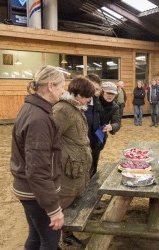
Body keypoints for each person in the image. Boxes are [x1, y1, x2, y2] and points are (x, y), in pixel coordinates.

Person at [10, 65, 65, 250]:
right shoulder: (39, 119)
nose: (63, 90)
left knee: (35, 236)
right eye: (62, 85)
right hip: (36, 194)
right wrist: (53, 208)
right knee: (50, 241)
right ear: (51, 86)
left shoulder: (33, 108)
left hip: (29, 190)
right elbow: (37, 169)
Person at [53, 76, 95, 247]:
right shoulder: (62, 110)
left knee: (72, 204)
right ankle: (52, 241)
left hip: (77, 167)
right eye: (87, 96)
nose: (89, 100)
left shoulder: (75, 107)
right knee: (61, 206)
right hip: (67, 169)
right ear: (77, 94)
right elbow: (48, 139)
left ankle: (67, 235)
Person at [88, 81, 121, 177]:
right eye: (108, 93)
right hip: (87, 133)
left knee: (94, 160)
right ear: (102, 92)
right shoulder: (93, 100)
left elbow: (117, 122)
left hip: (99, 136)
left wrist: (111, 126)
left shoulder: (115, 106)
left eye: (113, 94)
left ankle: (91, 180)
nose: (110, 96)